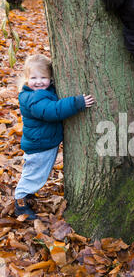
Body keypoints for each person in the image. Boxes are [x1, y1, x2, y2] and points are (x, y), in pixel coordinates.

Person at [14, 54, 95, 220]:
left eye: (43, 77)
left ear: (51, 79)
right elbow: (52, 111)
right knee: (34, 174)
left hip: (44, 143)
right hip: (39, 146)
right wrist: (76, 103)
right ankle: (20, 202)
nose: (38, 81)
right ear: (26, 78)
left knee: (39, 173)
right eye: (33, 77)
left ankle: (27, 194)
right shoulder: (33, 98)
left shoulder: (42, 92)